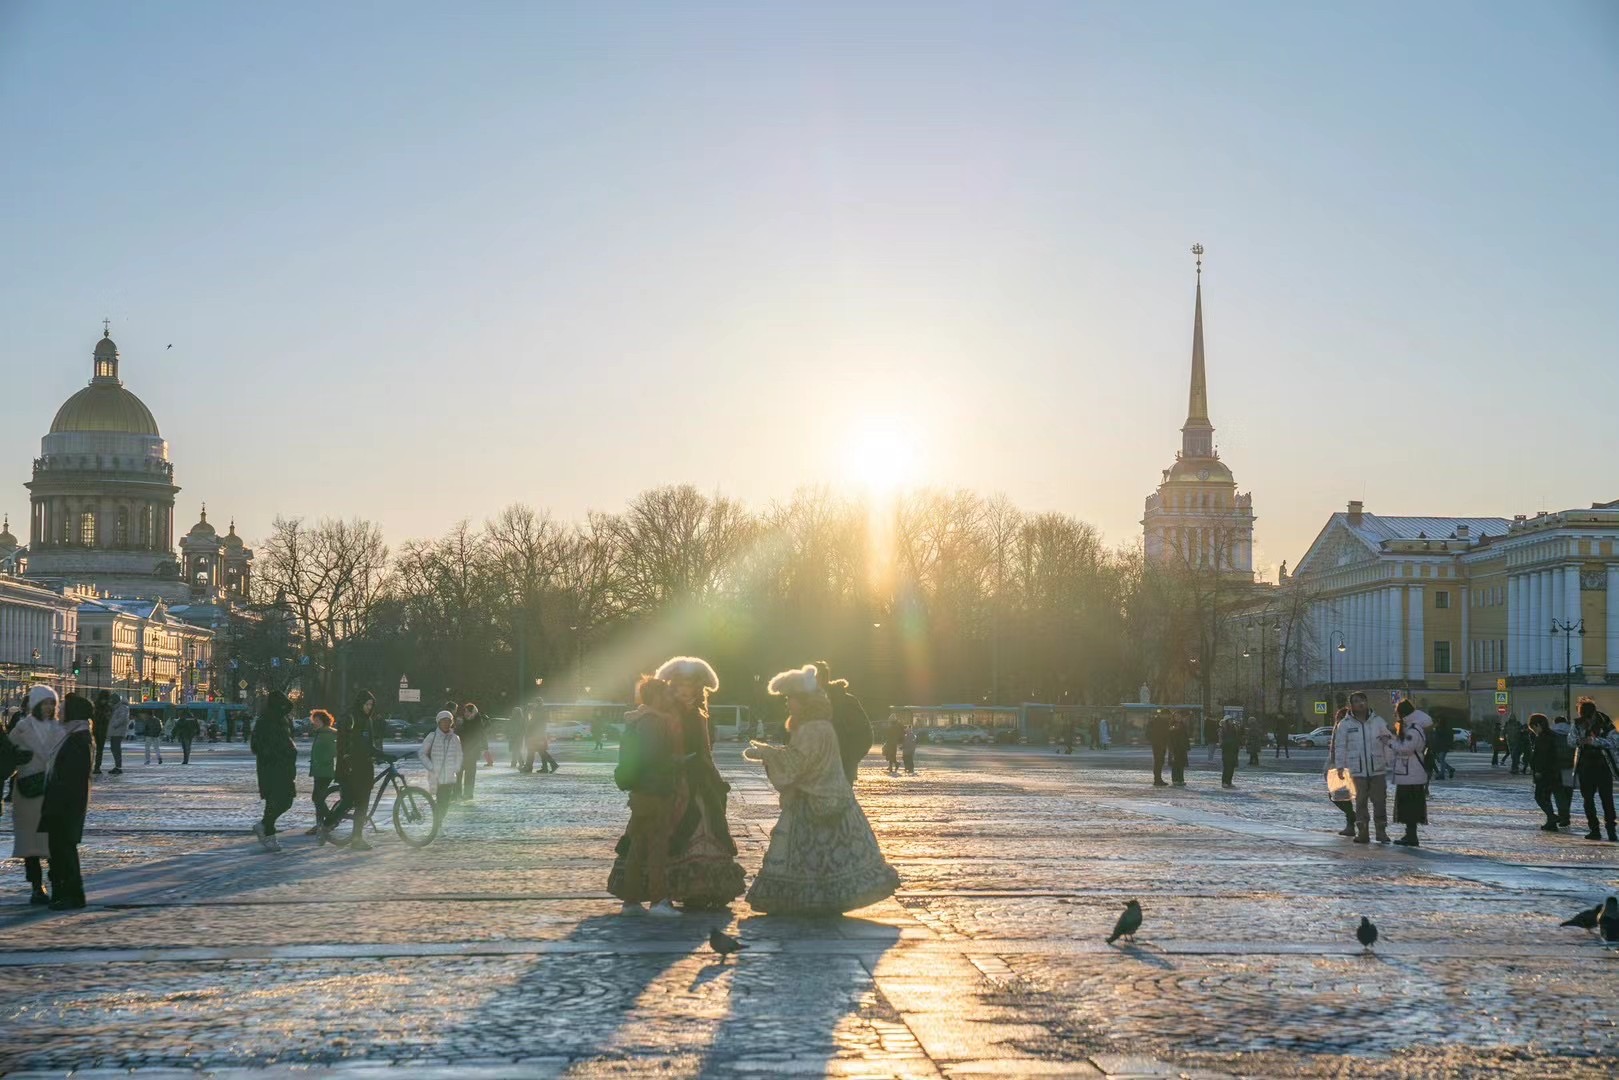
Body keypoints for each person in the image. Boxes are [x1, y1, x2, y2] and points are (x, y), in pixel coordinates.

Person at [744, 665, 899, 915]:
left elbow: (798, 763)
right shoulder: (820, 725)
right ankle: (829, 897)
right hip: (835, 794)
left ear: (803, 701)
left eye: (789, 699)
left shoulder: (811, 729)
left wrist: (767, 753)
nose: (787, 705)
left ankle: (806, 897)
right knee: (832, 852)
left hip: (812, 799)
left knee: (809, 851)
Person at [656, 656, 746, 909]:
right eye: (682, 685)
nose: (687, 691)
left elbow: (705, 748)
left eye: (692, 686)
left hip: (701, 777)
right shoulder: (668, 713)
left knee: (708, 823)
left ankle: (706, 886)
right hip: (677, 778)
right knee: (682, 823)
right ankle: (680, 885)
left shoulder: (698, 713)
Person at [607, 676, 685, 916]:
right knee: (657, 846)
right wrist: (674, 762)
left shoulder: (637, 720)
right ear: (656, 697)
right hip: (655, 790)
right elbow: (652, 758)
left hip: (640, 791)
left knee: (638, 846)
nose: (669, 699)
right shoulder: (653, 722)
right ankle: (659, 900)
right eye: (665, 694)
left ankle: (630, 901)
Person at [39, 692, 94, 909]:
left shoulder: (78, 739)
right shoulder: (70, 735)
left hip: (66, 806)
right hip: (58, 803)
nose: (59, 711)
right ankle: (62, 892)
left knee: (65, 850)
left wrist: (59, 799)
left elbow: (73, 777)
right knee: (58, 850)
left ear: (73, 713)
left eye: (63, 708)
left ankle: (73, 895)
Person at [8, 687, 61, 905]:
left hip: (53, 791)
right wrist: (21, 760)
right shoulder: (21, 728)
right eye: (45, 703)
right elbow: (7, 757)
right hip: (29, 791)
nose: (49, 708)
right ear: (35, 705)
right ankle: (36, 886)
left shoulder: (60, 728)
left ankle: (56, 881)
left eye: (52, 703)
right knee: (31, 842)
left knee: (55, 841)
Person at [1329, 691, 1392, 844]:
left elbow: (1388, 742)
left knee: (1380, 801)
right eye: (1357, 701)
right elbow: (1340, 746)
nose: (1361, 703)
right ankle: (1362, 832)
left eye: (1363, 700)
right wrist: (1340, 767)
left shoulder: (1378, 722)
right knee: (1360, 801)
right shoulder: (1345, 724)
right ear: (1351, 705)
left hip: (1377, 768)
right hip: (1356, 770)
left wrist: (1390, 760)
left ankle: (1381, 831)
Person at [326, 690, 384, 850]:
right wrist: (347, 758)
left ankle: (357, 839)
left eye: (371, 705)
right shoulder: (350, 717)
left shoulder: (367, 720)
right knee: (349, 801)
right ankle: (327, 824)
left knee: (363, 804)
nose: (369, 707)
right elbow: (345, 742)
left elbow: (368, 744)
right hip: (351, 767)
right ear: (360, 703)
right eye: (367, 704)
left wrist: (378, 754)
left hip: (364, 767)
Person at [250, 691, 297, 852]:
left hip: (284, 766)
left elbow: (287, 740)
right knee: (275, 801)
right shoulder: (265, 722)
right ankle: (269, 834)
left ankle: (264, 826)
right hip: (271, 767)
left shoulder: (282, 719)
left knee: (286, 800)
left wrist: (289, 752)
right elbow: (257, 746)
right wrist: (277, 753)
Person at [817, 661, 873, 783]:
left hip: (841, 773)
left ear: (822, 678)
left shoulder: (846, 702)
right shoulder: (804, 705)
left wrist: (849, 761)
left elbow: (865, 735)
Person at [1570, 699, 1618, 842]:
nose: (1587, 720)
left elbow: (1615, 742)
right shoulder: (1578, 724)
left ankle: (1611, 830)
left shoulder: (1605, 723)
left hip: (1603, 765)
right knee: (1588, 799)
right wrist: (1580, 741)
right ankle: (1594, 830)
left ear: (1594, 713)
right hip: (1585, 765)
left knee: (1607, 799)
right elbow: (1570, 741)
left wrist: (1595, 742)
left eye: (1589, 716)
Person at [1389, 699, 1429, 847]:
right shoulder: (1413, 727)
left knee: (1409, 806)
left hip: (1411, 774)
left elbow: (1406, 748)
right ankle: (1409, 834)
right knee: (1409, 806)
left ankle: (1411, 835)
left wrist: (1390, 743)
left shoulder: (1413, 729)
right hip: (1409, 773)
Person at [420, 710, 463, 816]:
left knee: (445, 803)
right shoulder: (432, 736)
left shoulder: (455, 738)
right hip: (436, 776)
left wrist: (456, 768)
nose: (446, 724)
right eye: (443, 721)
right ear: (438, 722)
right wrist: (431, 766)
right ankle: (437, 825)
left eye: (448, 721)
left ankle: (439, 824)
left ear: (451, 723)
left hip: (449, 777)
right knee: (439, 801)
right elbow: (422, 753)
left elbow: (459, 755)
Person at [1326, 707, 1359, 837]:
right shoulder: (1344, 728)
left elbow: (1338, 748)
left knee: (1338, 796)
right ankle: (1351, 823)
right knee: (1342, 796)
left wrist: (1335, 766)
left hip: (1344, 768)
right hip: (1344, 766)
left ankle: (1352, 820)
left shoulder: (1343, 728)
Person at [1527, 714, 1561, 832]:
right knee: (1546, 797)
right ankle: (1551, 823)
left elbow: (1542, 757)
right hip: (1553, 772)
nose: (1534, 731)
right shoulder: (1551, 736)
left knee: (1539, 797)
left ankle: (1552, 817)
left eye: (1534, 727)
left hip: (1544, 773)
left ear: (1538, 725)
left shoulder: (1543, 738)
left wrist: (1538, 771)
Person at [306, 710, 338, 836]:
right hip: (319, 770)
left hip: (325, 771)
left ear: (324, 721)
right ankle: (321, 824)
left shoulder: (328, 733)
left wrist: (322, 761)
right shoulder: (320, 733)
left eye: (317, 720)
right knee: (318, 798)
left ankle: (330, 820)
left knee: (317, 798)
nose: (314, 723)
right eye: (314, 720)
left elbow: (332, 751)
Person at [456, 701, 489, 801]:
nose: (466, 714)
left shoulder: (477, 721)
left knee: (470, 774)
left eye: (468, 712)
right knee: (459, 773)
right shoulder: (463, 722)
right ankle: (458, 793)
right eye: (465, 712)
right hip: (462, 751)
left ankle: (468, 794)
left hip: (472, 752)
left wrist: (483, 747)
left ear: (472, 712)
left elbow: (480, 736)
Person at [526, 704, 558, 775]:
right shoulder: (539, 717)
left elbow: (533, 727)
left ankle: (553, 764)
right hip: (539, 737)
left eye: (532, 711)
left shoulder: (536, 717)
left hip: (537, 737)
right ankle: (547, 767)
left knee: (541, 752)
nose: (531, 712)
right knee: (541, 752)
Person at [1147, 711, 1170, 786]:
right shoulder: (1159, 722)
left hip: (1158, 744)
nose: (1168, 717)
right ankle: (1157, 780)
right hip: (1159, 744)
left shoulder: (1155, 721)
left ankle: (1158, 779)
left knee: (1159, 762)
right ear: (1163, 714)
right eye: (1167, 715)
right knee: (1158, 762)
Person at [91, 691, 111, 776]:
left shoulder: (97, 706)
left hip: (99, 730)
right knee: (95, 750)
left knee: (98, 750)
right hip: (97, 730)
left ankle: (96, 767)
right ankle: (94, 767)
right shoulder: (101, 707)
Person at [1219, 714, 1242, 788]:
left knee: (1232, 767)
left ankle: (1229, 781)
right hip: (1227, 750)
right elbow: (1221, 740)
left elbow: (1238, 736)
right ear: (1226, 721)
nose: (1232, 721)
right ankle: (1224, 782)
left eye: (1232, 720)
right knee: (1227, 767)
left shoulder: (1234, 728)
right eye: (1230, 720)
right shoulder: (1223, 729)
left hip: (1233, 749)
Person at [1431, 713, 1456, 780]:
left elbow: (1438, 737)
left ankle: (1442, 775)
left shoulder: (1441, 728)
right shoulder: (1441, 727)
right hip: (1440, 746)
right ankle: (1450, 769)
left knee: (1441, 759)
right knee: (1440, 760)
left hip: (1442, 746)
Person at [1168, 713, 1190, 788]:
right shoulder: (1171, 725)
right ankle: (1175, 780)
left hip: (1182, 747)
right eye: (1176, 716)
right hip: (1174, 747)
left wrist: (1187, 746)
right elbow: (1170, 738)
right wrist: (1171, 747)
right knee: (1175, 764)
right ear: (1173, 717)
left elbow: (1185, 737)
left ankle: (1181, 779)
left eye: (1179, 716)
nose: (1178, 717)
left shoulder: (1183, 725)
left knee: (1181, 764)